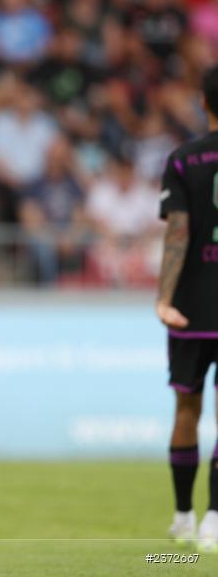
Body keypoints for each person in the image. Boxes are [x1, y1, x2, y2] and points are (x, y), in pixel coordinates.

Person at [157, 65, 218, 551]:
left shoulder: (183, 159)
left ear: (204, 101)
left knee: (186, 408)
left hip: (191, 305)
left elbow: (177, 233)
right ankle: (215, 518)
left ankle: (181, 516)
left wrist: (164, 297)